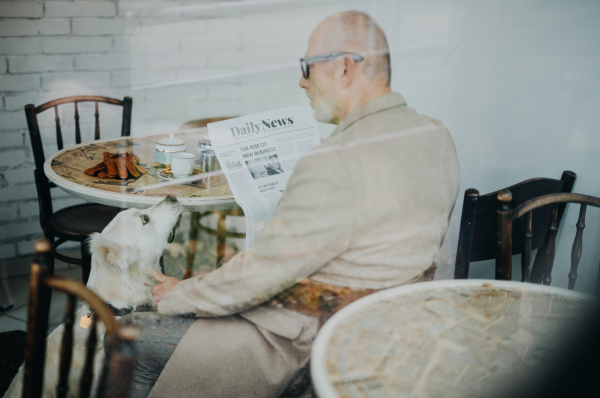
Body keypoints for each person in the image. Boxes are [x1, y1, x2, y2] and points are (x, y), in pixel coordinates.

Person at [121, 10, 460, 398]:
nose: (301, 81)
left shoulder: (334, 160)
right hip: (390, 326)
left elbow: (259, 278)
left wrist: (179, 294)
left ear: (345, 68)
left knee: (131, 336)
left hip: (313, 341)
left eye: (307, 67)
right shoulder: (436, 134)